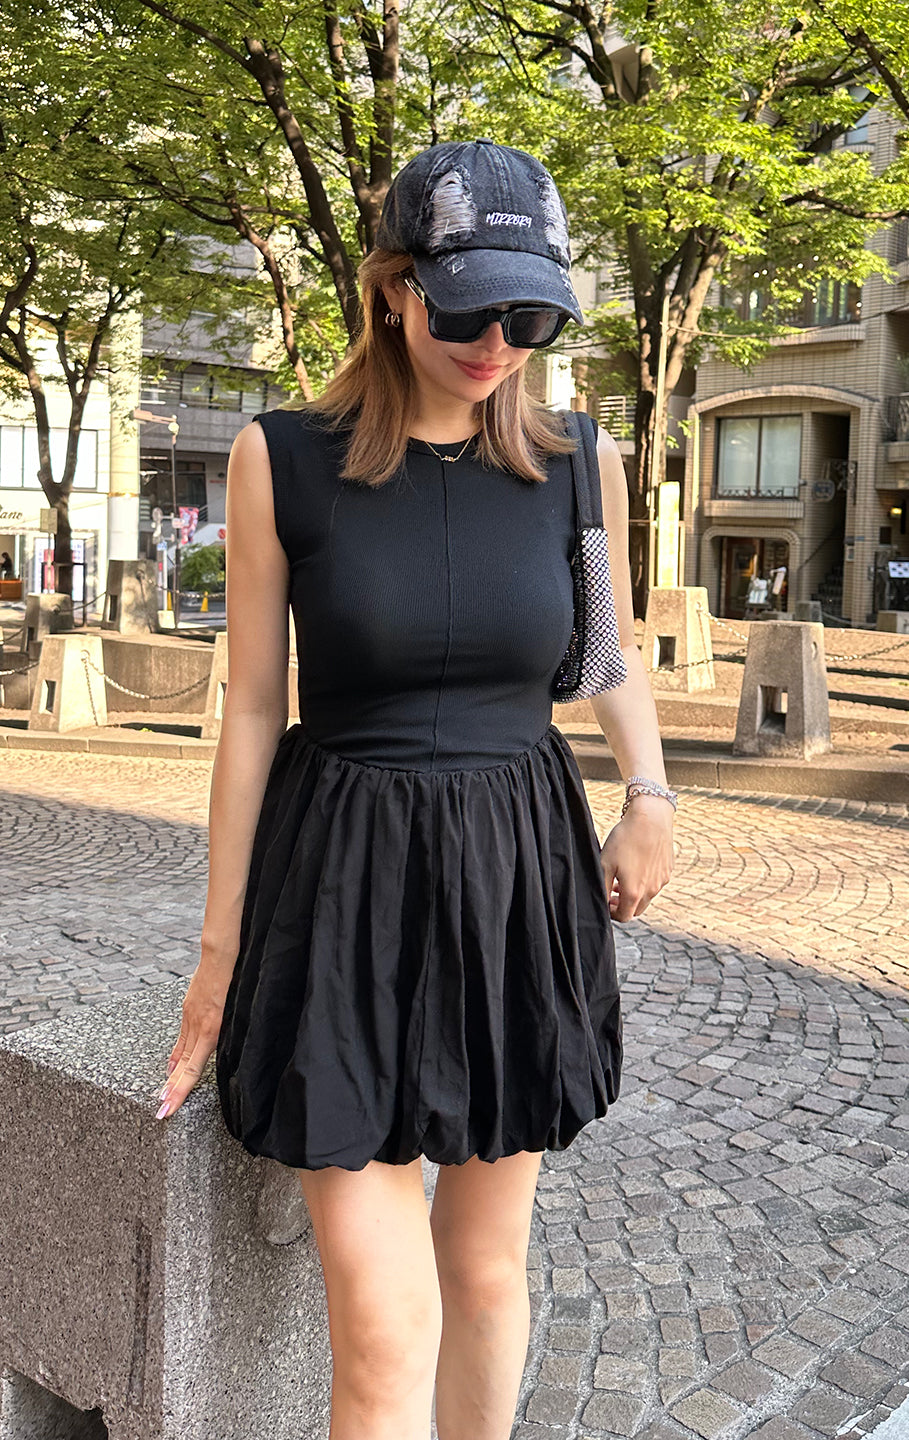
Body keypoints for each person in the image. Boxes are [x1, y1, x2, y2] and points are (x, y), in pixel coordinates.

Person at [155, 139, 675, 1440]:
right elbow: (253, 709)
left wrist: (651, 795)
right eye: (467, 310)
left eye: (529, 316)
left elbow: (605, 654)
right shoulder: (281, 458)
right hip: (344, 884)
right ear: (393, 289)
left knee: (487, 1272)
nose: (497, 345)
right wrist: (219, 952)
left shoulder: (577, 461)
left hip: (514, 876)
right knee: (383, 1333)